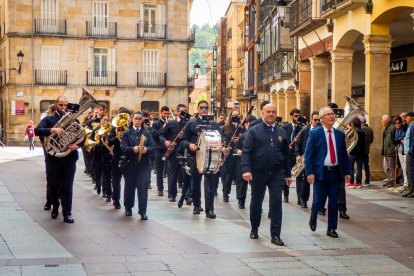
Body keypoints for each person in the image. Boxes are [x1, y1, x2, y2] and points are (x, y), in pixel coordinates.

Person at [242, 104, 292, 246]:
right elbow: (246, 151)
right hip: (258, 173)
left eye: (274, 112)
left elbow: (286, 155)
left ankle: (275, 235)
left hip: (277, 174)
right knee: (256, 202)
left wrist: (287, 174)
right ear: (262, 113)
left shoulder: (282, 132)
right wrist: (246, 169)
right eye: (268, 112)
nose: (271, 114)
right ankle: (254, 228)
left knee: (276, 203)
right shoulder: (253, 131)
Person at [305, 106, 351, 238]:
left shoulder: (340, 135)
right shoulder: (315, 133)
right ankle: (313, 217)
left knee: (333, 202)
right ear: (322, 119)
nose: (332, 116)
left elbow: (344, 155)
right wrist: (310, 172)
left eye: (332, 114)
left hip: (335, 173)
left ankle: (331, 228)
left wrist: (347, 172)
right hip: (321, 172)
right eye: (328, 114)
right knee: (318, 200)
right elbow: (308, 155)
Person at [35, 96, 81, 223]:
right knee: (53, 185)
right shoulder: (49, 119)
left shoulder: (74, 120)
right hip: (53, 158)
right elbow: (36, 130)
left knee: (67, 186)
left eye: (65, 105)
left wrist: (78, 145)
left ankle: (67, 213)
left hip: (69, 158)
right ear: (56, 105)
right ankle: (55, 205)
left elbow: (83, 137)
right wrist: (52, 130)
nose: (63, 107)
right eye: (60, 105)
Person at [181, 100, 220, 218]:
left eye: (206, 108)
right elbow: (183, 140)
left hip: (210, 158)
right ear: (197, 109)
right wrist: (189, 145)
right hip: (195, 157)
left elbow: (219, 138)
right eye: (202, 107)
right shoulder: (191, 123)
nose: (204, 110)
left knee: (210, 185)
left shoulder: (213, 124)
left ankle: (210, 210)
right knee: (195, 183)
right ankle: (197, 206)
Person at [120, 111, 154, 219]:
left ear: (142, 120)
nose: (138, 121)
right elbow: (123, 147)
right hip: (130, 164)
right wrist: (133, 149)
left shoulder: (147, 133)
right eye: (136, 118)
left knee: (142, 188)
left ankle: (142, 211)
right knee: (129, 187)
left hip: (143, 165)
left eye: (140, 119)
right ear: (132, 120)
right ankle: (128, 208)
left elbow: (153, 148)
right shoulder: (127, 133)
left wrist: (146, 149)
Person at [159, 104, 191, 203]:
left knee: (187, 174)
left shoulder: (189, 124)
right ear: (177, 112)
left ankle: (187, 196)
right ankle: (172, 194)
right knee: (173, 174)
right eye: (182, 111)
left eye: (185, 111)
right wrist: (165, 142)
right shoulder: (171, 123)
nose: (184, 113)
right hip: (173, 152)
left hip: (186, 151)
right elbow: (161, 134)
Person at [294, 111, 320, 208]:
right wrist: (297, 155)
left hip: (318, 161)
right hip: (307, 160)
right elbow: (298, 143)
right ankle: (303, 200)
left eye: (319, 120)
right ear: (311, 120)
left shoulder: (322, 131)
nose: (317, 122)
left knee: (319, 183)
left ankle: (319, 204)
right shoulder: (305, 131)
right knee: (306, 181)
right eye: (315, 120)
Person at [108, 107, 131, 209]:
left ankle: (127, 203)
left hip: (128, 158)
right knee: (116, 180)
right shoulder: (114, 128)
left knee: (129, 181)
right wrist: (117, 137)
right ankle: (116, 200)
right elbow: (109, 142)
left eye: (127, 117)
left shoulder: (130, 128)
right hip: (117, 157)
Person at [221, 109, 243, 202]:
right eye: (234, 115)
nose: (235, 117)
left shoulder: (243, 128)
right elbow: (222, 141)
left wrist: (240, 139)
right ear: (230, 116)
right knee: (228, 176)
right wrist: (223, 148)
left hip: (239, 155)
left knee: (239, 177)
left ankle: (240, 197)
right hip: (229, 155)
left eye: (237, 115)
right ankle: (225, 194)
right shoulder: (226, 127)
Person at [234, 114, 256, 209]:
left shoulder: (258, 136)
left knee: (255, 184)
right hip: (244, 162)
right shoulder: (243, 136)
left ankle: (256, 202)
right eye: (247, 124)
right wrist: (238, 151)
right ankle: (241, 200)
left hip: (255, 163)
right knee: (242, 183)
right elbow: (235, 148)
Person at [282, 108, 302, 203]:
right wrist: (287, 146)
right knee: (287, 174)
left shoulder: (302, 128)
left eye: (299, 116)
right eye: (296, 116)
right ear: (291, 116)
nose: (298, 118)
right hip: (287, 155)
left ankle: (300, 198)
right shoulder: (285, 127)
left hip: (297, 155)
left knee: (299, 176)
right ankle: (286, 195)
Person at [151, 106, 170, 196]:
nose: (166, 115)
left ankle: (171, 189)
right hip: (159, 149)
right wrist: (163, 127)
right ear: (161, 113)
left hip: (169, 149)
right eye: (164, 113)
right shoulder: (156, 124)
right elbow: (154, 136)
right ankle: (160, 188)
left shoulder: (171, 123)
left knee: (170, 169)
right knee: (159, 169)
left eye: (167, 114)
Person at [346, 117, 365, 188]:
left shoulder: (352, 131)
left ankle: (351, 182)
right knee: (359, 167)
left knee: (351, 167)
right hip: (360, 152)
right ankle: (358, 182)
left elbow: (348, 141)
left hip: (352, 151)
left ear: (353, 123)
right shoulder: (362, 132)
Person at [381, 114, 396, 188]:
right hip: (387, 151)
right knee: (388, 167)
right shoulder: (386, 128)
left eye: (382, 119)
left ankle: (392, 181)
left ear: (386, 120)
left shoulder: (392, 128)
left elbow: (394, 140)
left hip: (391, 151)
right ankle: (389, 180)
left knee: (391, 167)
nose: (381, 121)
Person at [359, 116, 374, 186]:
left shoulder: (361, 130)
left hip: (360, 150)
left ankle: (359, 180)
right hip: (366, 150)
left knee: (359, 166)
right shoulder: (370, 129)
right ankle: (367, 180)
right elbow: (371, 140)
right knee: (366, 166)